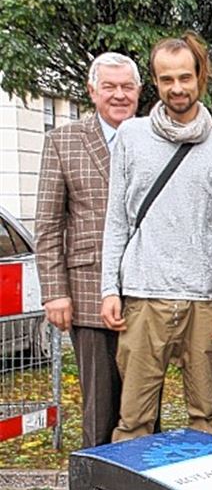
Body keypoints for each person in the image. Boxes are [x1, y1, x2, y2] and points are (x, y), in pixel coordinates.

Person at [100, 32, 212, 440]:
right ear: (155, 82)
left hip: (205, 299)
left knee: (207, 421)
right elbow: (117, 221)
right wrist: (110, 288)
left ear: (201, 77)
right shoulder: (130, 136)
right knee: (134, 421)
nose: (177, 88)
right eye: (166, 79)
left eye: (185, 77)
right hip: (143, 296)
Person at [35, 52, 140, 448]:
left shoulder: (152, 138)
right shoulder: (63, 141)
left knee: (146, 405)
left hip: (145, 293)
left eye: (127, 87)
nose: (119, 95)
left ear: (139, 91)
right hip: (87, 290)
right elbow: (48, 223)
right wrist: (54, 291)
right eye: (109, 87)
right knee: (100, 406)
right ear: (92, 91)